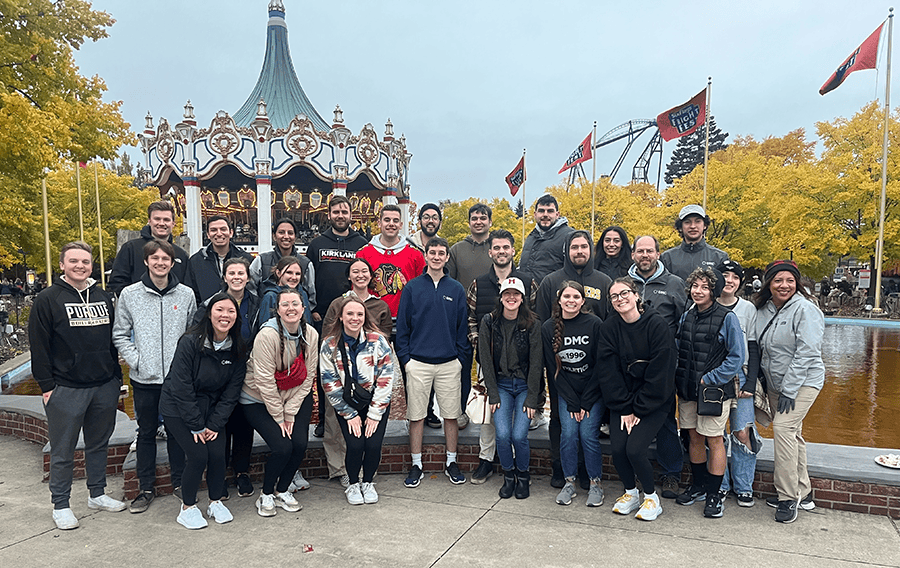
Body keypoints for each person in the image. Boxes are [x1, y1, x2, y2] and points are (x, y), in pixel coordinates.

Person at [29, 241, 127, 530]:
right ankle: (61, 504)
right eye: (74, 261)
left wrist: (115, 378)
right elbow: (39, 346)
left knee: (98, 444)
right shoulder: (48, 299)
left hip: (103, 385)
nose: (80, 266)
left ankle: (97, 493)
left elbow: (112, 340)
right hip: (66, 388)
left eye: (85, 262)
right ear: (62, 264)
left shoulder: (102, 296)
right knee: (63, 450)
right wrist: (47, 386)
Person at [113, 239, 197, 514]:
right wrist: (137, 360)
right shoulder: (130, 295)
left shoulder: (185, 295)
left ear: (172, 263)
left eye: (165, 259)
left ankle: (178, 482)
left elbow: (192, 334)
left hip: (176, 380)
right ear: (147, 261)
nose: (160, 263)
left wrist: (184, 367)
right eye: (155, 258)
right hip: (145, 378)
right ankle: (146, 487)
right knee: (146, 433)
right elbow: (120, 334)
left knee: (176, 433)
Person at [159, 292, 248, 529]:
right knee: (199, 455)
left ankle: (215, 501)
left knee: (218, 454)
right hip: (178, 407)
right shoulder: (190, 342)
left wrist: (214, 424)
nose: (225, 315)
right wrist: (196, 424)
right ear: (209, 314)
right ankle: (187, 507)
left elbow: (232, 392)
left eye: (231, 311)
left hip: (212, 409)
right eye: (219, 310)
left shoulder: (237, 348)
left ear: (236, 317)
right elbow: (180, 386)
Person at [750, 260, 825, 523]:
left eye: (790, 280)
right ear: (769, 283)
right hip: (774, 382)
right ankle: (803, 492)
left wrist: (789, 390)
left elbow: (807, 353)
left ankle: (787, 497)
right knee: (794, 433)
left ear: (797, 283)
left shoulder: (806, 309)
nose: (784, 285)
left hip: (803, 382)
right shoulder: (762, 309)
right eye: (778, 280)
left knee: (782, 429)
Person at [535, 230, 611, 488]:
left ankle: (585, 470)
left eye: (584, 247)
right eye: (574, 247)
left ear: (590, 250)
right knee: (560, 420)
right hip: (560, 369)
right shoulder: (550, 281)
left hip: (593, 372)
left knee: (590, 425)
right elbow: (544, 322)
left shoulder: (603, 281)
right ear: (566, 250)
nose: (579, 251)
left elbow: (610, 323)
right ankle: (561, 467)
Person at [598, 277, 677, 521]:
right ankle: (631, 493)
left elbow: (660, 372)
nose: (620, 299)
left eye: (624, 293)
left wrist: (639, 409)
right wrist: (624, 407)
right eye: (614, 296)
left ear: (636, 295)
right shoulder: (610, 328)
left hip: (654, 400)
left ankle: (652, 497)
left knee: (635, 449)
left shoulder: (657, 325)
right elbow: (608, 371)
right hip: (622, 401)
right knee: (618, 448)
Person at [396, 237, 471, 488]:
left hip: (450, 363)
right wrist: (406, 360)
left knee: (451, 416)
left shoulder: (456, 289)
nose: (437, 257)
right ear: (425, 256)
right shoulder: (412, 288)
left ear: (447, 257)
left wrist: (460, 359)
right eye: (433, 252)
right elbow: (403, 328)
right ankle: (416, 464)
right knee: (416, 416)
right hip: (418, 362)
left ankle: (451, 461)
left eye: (441, 253)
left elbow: (462, 329)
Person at [466, 229, 538, 484]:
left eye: (505, 247)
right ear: (490, 252)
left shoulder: (527, 283)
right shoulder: (479, 283)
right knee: (490, 415)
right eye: (496, 248)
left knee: (516, 427)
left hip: (521, 362)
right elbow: (470, 318)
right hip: (490, 360)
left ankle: (520, 469)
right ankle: (486, 460)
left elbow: (535, 319)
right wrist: (481, 344)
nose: (501, 252)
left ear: (512, 250)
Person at [240, 287, 318, 517]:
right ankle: (266, 494)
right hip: (258, 399)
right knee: (282, 446)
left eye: (295, 304)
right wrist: (279, 416)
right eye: (285, 304)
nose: (291, 308)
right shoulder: (267, 335)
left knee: (300, 443)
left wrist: (290, 412)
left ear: (303, 308)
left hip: (294, 396)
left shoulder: (311, 334)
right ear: (278, 310)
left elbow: (309, 375)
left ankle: (283, 489)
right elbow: (263, 381)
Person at [674, 267, 745, 519]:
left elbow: (737, 356)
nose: (698, 291)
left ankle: (715, 494)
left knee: (714, 438)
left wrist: (710, 379)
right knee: (693, 436)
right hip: (687, 390)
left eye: (705, 287)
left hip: (713, 391)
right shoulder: (687, 316)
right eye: (695, 286)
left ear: (714, 290)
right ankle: (698, 485)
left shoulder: (728, 318)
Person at [319, 258, 393, 487]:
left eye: (365, 271)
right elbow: (327, 340)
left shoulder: (379, 308)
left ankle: (367, 477)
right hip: (341, 387)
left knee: (369, 440)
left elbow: (387, 344)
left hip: (372, 384)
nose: (354, 319)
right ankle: (343, 472)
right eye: (355, 271)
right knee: (341, 432)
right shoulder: (336, 305)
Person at [192, 257, 262, 498]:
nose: (236, 277)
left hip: (244, 369)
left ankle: (242, 472)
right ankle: (219, 475)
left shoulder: (256, 303)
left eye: (240, 273)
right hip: (217, 371)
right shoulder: (211, 303)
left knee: (243, 424)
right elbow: (197, 333)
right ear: (224, 277)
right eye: (231, 273)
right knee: (220, 423)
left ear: (247, 277)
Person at [627, 235, 687, 499]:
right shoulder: (624, 284)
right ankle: (636, 474)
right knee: (631, 418)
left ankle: (671, 474)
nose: (645, 255)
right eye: (640, 251)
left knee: (664, 420)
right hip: (631, 367)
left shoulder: (674, 285)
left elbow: (683, 324)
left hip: (663, 367)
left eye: (649, 251)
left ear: (658, 254)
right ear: (633, 255)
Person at [306, 195, 369, 439]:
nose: (340, 216)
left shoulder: (361, 243)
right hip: (326, 316)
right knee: (327, 369)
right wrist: (313, 307)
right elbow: (309, 279)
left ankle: (359, 412)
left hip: (354, 315)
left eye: (344, 211)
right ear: (329, 215)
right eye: (336, 212)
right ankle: (324, 417)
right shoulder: (317, 244)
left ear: (350, 215)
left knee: (357, 367)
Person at [542, 281, 605, 507]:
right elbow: (553, 371)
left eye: (576, 297)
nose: (571, 301)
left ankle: (595, 484)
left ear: (583, 301)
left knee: (588, 435)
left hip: (592, 393)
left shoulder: (594, 324)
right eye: (567, 297)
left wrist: (586, 402)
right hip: (566, 394)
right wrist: (573, 402)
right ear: (559, 300)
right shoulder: (548, 328)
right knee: (568, 435)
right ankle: (569, 482)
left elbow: (601, 366)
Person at [479, 277, 542, 499]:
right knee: (503, 435)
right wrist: (493, 393)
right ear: (501, 297)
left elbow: (537, 363)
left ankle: (523, 477)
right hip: (502, 386)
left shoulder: (532, 323)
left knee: (519, 435)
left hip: (525, 386)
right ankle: (508, 476)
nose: (511, 298)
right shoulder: (489, 321)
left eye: (516, 294)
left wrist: (532, 398)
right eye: (507, 293)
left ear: (522, 298)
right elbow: (485, 360)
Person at [714, 260, 761, 508]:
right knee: (715, 433)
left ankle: (744, 485)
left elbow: (752, 347)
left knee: (743, 432)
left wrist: (751, 383)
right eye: (725, 276)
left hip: (741, 376)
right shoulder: (705, 304)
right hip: (715, 378)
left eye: (734, 277)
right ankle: (719, 484)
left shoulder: (748, 309)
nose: (729, 281)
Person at [447, 203, 494, 431]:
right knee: (462, 368)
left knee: (489, 367)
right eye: (474, 218)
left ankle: (489, 412)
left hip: (492, 319)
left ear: (489, 222)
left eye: (483, 218)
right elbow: (451, 285)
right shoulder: (457, 250)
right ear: (469, 222)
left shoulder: (497, 248)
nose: (478, 221)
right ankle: (460, 411)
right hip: (463, 320)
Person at [356, 204, 426, 321]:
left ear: (401, 225)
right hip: (371, 320)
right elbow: (356, 289)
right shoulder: (363, 254)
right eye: (387, 220)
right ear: (379, 223)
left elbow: (423, 290)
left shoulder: (416, 255)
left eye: (395, 220)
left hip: (406, 321)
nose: (391, 224)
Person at [109, 200, 189, 295]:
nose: (162, 223)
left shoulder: (181, 255)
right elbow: (117, 282)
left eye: (166, 220)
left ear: (173, 223)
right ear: (149, 221)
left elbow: (186, 286)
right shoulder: (131, 248)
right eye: (157, 219)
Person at [250, 218, 316, 312]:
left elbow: (311, 295)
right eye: (281, 232)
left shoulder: (306, 263)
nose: (286, 236)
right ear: (274, 236)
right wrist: (261, 306)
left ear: (295, 237)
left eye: (290, 233)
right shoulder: (261, 260)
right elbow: (250, 288)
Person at [184, 215, 253, 304]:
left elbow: (252, 289)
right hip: (206, 314)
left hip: (240, 314)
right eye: (213, 230)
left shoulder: (245, 259)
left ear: (231, 233)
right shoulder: (196, 261)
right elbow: (191, 293)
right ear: (208, 235)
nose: (219, 233)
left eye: (223, 229)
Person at [660, 204, 729, 281]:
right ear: (680, 227)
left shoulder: (719, 257)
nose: (693, 226)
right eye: (687, 222)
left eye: (697, 221)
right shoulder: (667, 258)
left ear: (705, 225)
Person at [518, 194, 574, 285]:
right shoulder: (531, 236)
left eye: (550, 211)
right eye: (541, 211)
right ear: (535, 215)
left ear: (557, 214)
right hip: (527, 295)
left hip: (553, 295)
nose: (545, 214)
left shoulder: (569, 236)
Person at [258, 256, 312, 322]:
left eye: (297, 274)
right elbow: (264, 326)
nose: (294, 277)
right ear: (278, 273)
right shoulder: (270, 296)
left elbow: (308, 322)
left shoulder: (303, 294)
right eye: (289, 272)